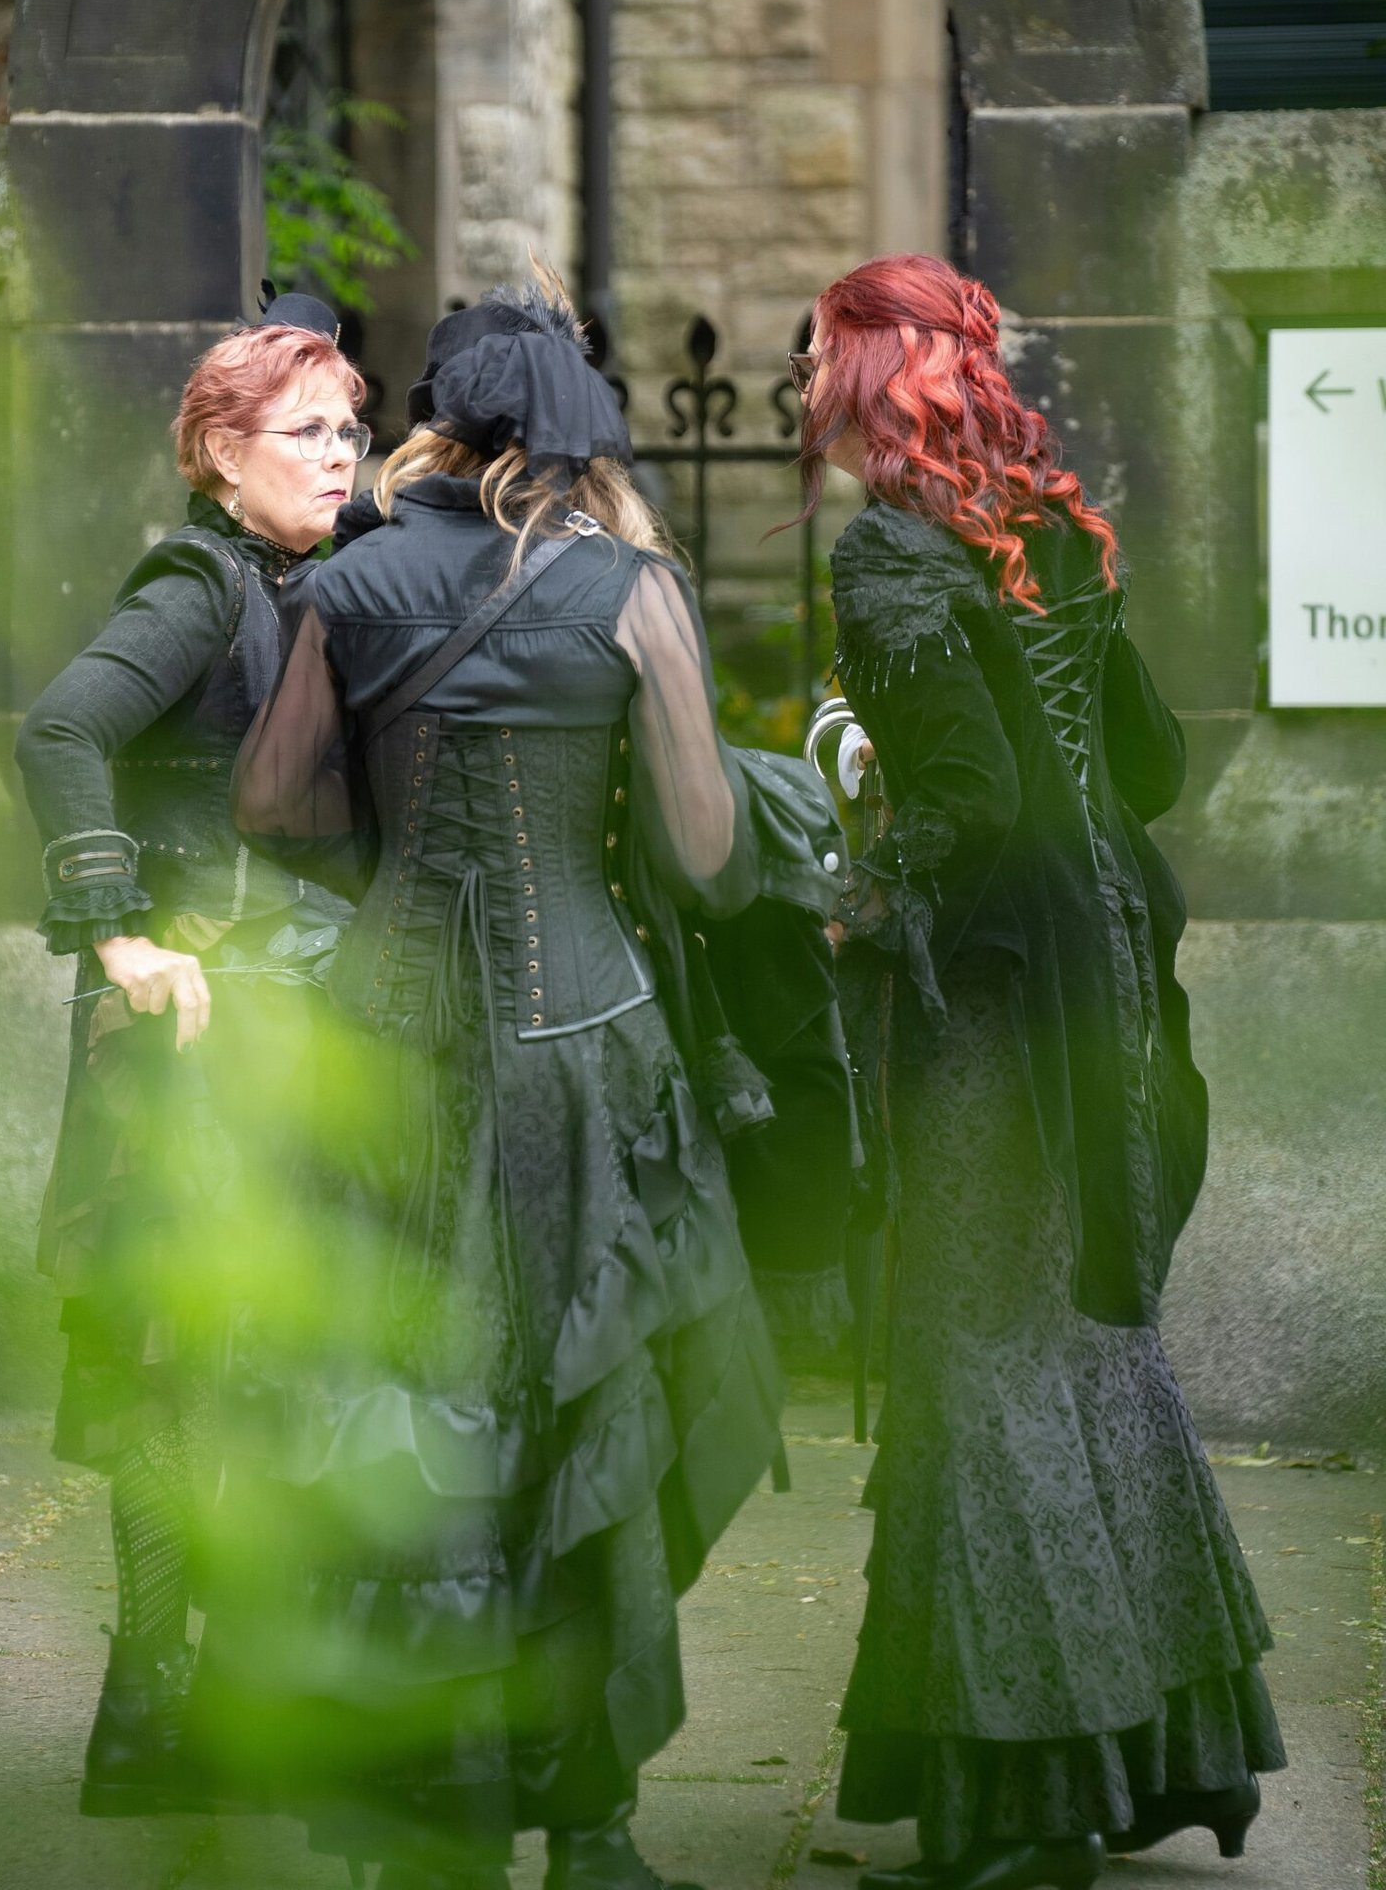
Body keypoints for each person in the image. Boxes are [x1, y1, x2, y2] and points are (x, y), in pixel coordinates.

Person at [210, 277, 785, 1889]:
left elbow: (277, 811)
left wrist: (403, 845)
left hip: (392, 1048)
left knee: (406, 1416)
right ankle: (592, 1827)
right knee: (582, 1406)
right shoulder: (629, 586)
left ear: (445, 421)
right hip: (579, 1047)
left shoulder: (357, 575)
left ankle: (421, 1817)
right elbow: (708, 852)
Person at [797, 256, 1285, 1890]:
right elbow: (1139, 763)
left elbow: (970, 812)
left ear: (874, 373)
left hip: (998, 1011)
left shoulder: (888, 552)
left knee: (984, 1357)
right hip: (1113, 982)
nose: (807, 371)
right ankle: (1150, 1753)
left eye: (823, 347)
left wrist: (851, 898)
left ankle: (1033, 1799)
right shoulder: (1049, 525)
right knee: (1086, 1336)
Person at [14, 292, 369, 1816]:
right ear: (224, 453)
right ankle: (154, 1710)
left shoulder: (300, 577)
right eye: (310, 435)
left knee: (249, 1367)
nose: (343, 457)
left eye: (355, 430)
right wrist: (119, 931)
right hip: (186, 1034)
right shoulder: (199, 580)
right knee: (175, 1375)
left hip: (273, 1028)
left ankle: (198, 1705)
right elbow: (60, 731)